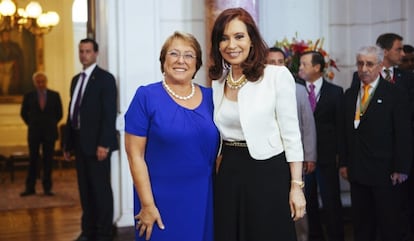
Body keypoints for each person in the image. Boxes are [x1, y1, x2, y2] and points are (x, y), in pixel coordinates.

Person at [209, 8, 306, 241]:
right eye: (224, 38)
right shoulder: (217, 83)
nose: (231, 44)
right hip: (229, 172)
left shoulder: (276, 76)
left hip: (268, 171)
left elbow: (292, 136)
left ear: (252, 40)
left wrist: (296, 186)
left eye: (239, 36)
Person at [124, 31, 219, 241]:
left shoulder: (212, 97)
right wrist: (147, 205)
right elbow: (134, 156)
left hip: (203, 198)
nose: (181, 61)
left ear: (197, 63)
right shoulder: (146, 96)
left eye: (189, 55)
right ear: (163, 60)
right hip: (159, 201)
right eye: (174, 54)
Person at [340, 45, 412, 241]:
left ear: (380, 66)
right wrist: (344, 163)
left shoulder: (394, 94)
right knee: (362, 225)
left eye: (369, 64)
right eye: (360, 63)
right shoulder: (350, 94)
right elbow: (345, 132)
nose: (364, 69)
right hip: (357, 171)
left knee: (389, 224)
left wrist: (401, 167)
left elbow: (403, 134)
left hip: (386, 172)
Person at [63, 38, 118, 241]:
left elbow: (108, 114)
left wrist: (104, 143)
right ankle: (88, 231)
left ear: (96, 53)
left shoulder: (105, 79)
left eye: (87, 51)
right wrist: (67, 143)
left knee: (100, 190)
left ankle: (103, 233)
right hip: (79, 143)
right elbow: (72, 113)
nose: (83, 55)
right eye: (81, 51)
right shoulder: (76, 80)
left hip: (98, 145)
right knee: (85, 190)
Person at [267, 47, 317, 241]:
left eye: (280, 62)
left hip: (294, 159)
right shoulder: (255, 88)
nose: (277, 66)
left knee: (298, 205)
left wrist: (310, 156)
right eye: (272, 62)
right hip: (269, 159)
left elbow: (307, 125)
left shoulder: (298, 89)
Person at [298, 51, 345, 241]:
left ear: (317, 67)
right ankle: (314, 236)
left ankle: (336, 236)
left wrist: (341, 157)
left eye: (304, 64)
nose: (300, 68)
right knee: (308, 202)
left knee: (331, 201)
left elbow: (341, 127)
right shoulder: (296, 89)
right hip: (303, 158)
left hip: (326, 157)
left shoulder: (335, 92)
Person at [20, 71, 63, 196]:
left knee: (48, 161)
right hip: (34, 132)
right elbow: (23, 113)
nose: (40, 84)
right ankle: (30, 188)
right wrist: (32, 123)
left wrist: (50, 123)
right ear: (34, 83)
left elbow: (59, 113)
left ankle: (47, 188)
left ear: (46, 82)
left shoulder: (55, 95)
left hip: (49, 132)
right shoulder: (29, 96)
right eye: (38, 82)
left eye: (42, 81)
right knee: (33, 160)